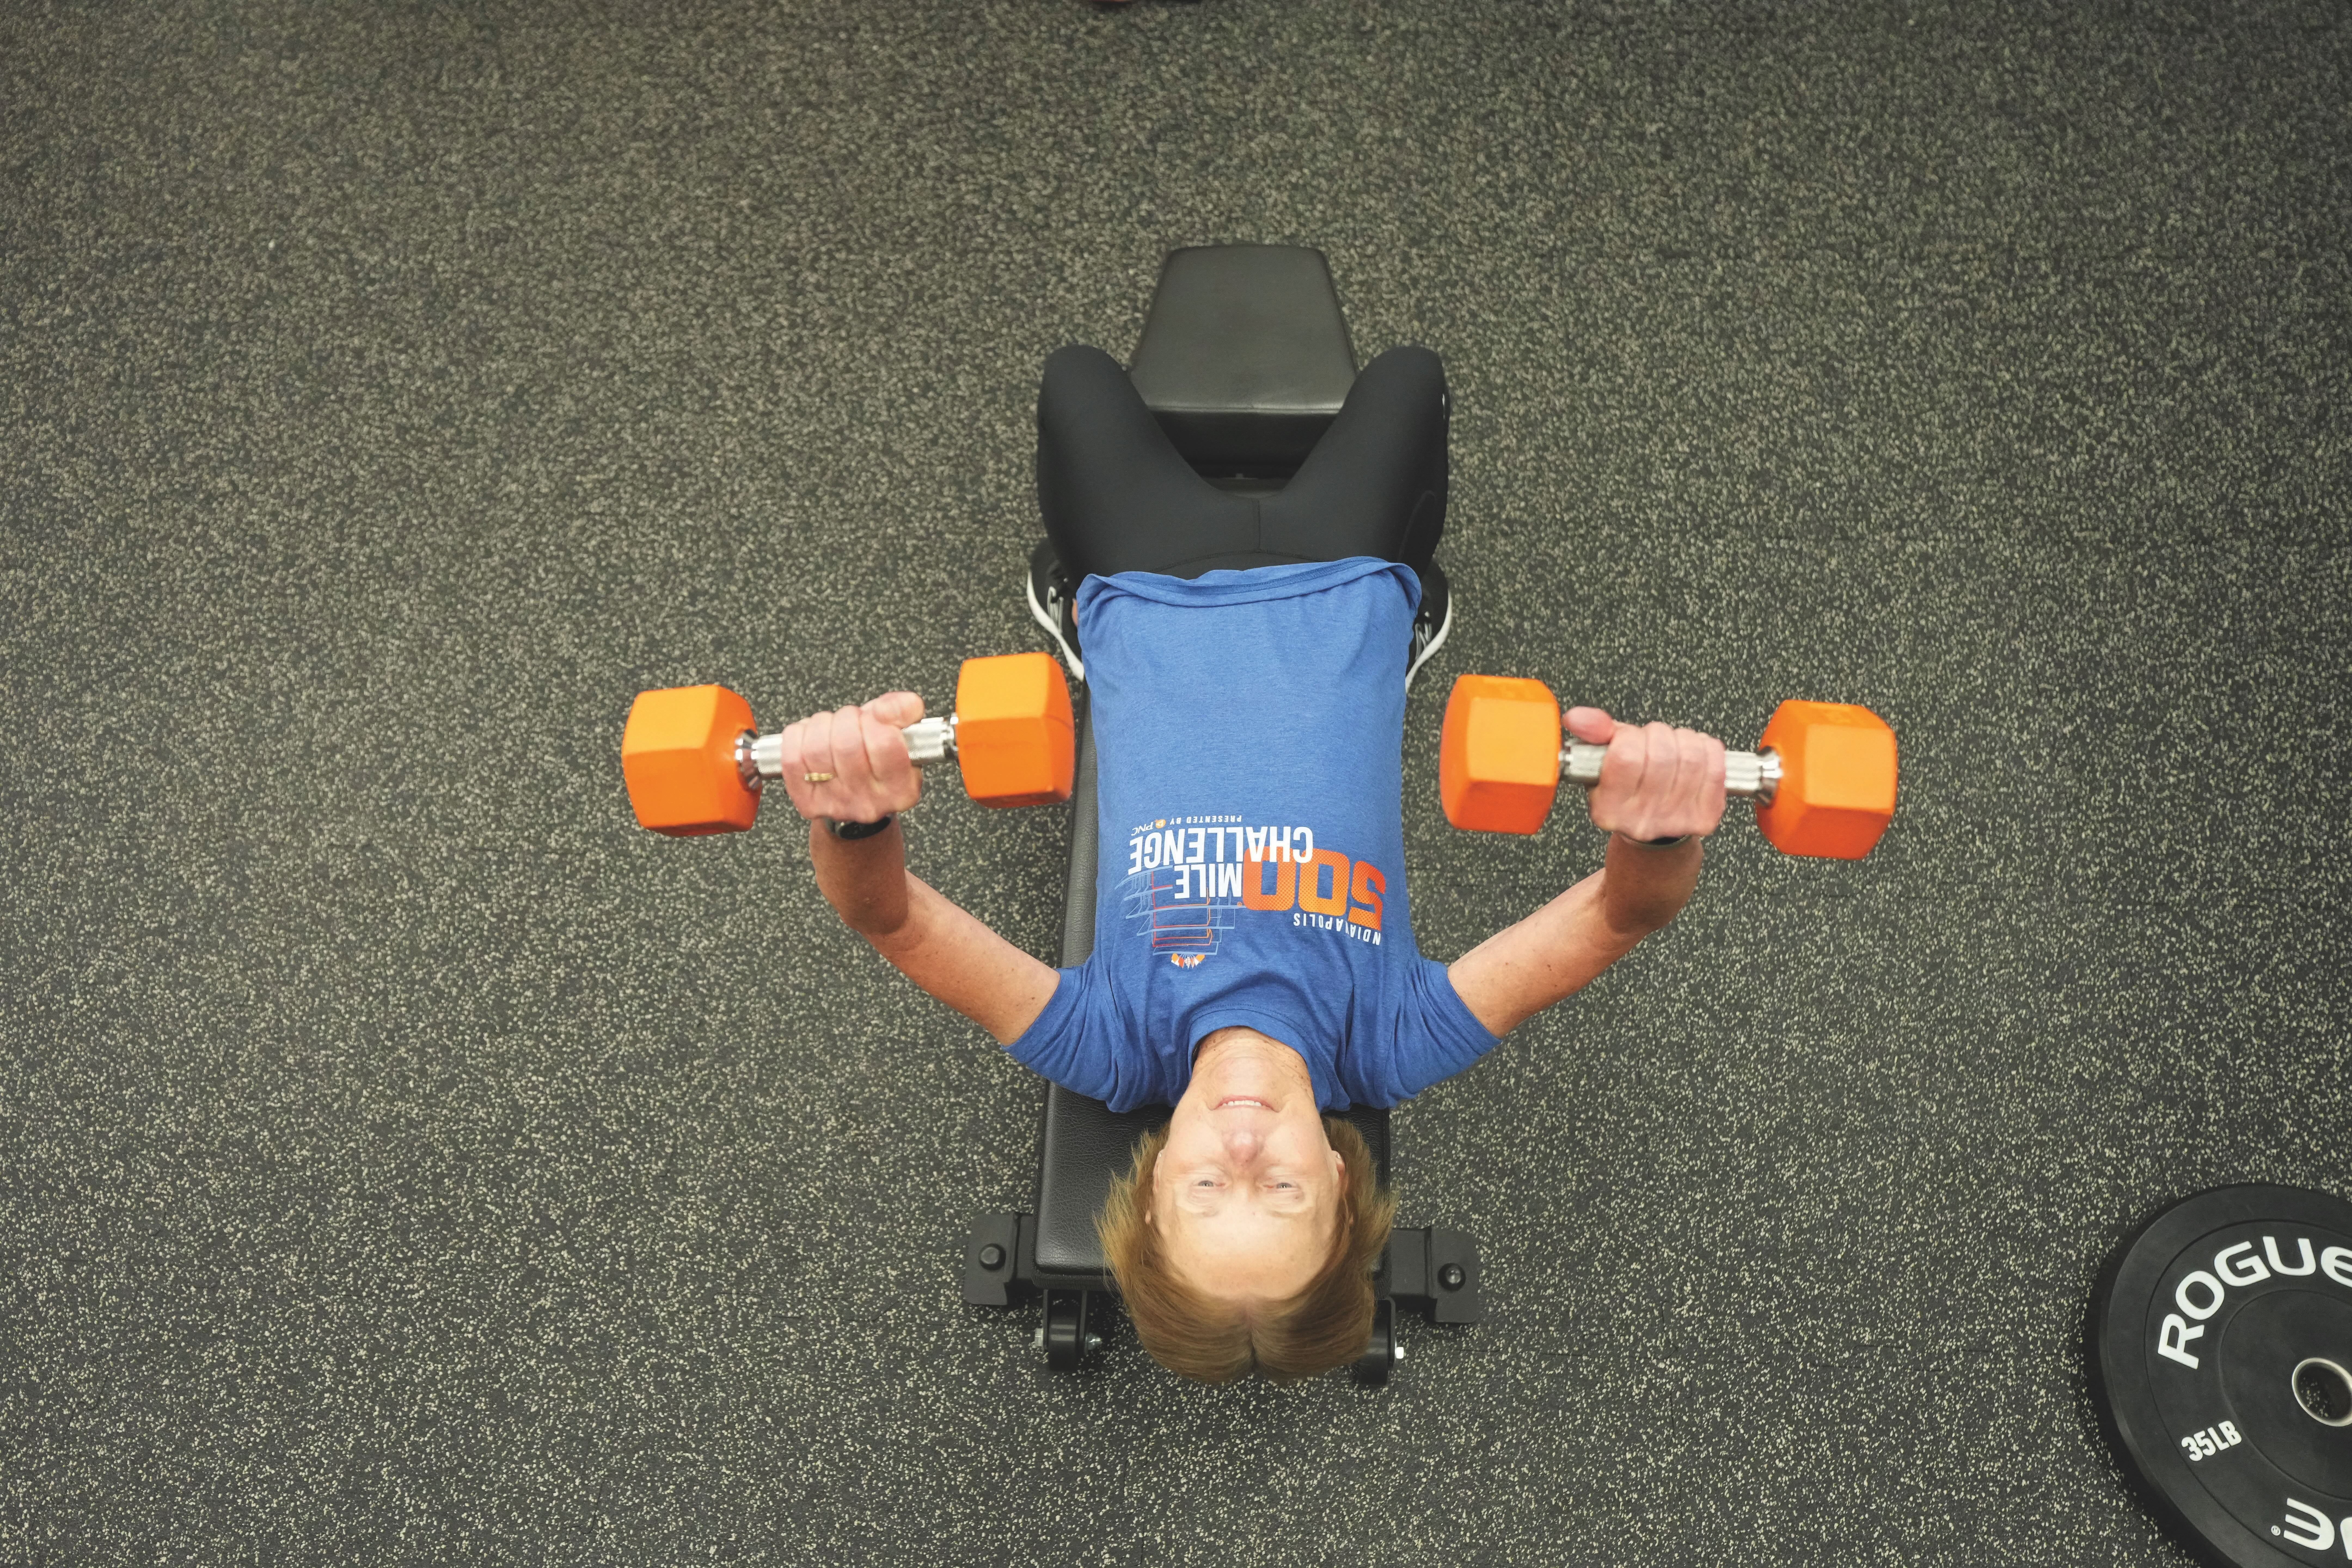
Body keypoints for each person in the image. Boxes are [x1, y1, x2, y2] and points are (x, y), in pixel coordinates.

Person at [774, 344, 1726, 1383]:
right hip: (1347, 578)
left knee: (1075, 381)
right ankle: (1410, 632)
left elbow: (893, 921)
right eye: (1281, 1196)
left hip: (1143, 583)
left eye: (1204, 1195)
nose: (1241, 1157)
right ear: (1337, 1176)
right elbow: (1618, 918)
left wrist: (853, 817)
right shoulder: (1392, 1042)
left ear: (1150, 1185)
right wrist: (1663, 830)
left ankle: (1073, 627)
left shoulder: (1109, 1045)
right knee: (1410, 378)